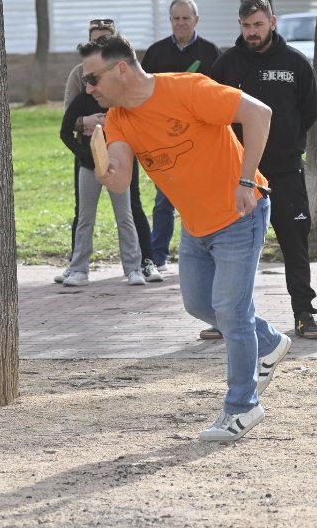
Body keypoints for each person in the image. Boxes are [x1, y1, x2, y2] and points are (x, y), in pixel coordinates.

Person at [83, 33, 292, 443]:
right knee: (200, 304)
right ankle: (268, 342)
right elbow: (121, 180)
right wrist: (101, 158)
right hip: (196, 225)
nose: (87, 88)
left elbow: (260, 114)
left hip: (240, 213)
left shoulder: (185, 89)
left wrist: (247, 181)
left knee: (231, 312)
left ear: (121, 68)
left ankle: (243, 407)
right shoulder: (121, 120)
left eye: (92, 78)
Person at [209, 0, 317, 339]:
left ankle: (303, 313)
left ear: (273, 22)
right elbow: (211, 113)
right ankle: (221, 318)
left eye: (258, 24)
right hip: (239, 174)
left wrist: (286, 141)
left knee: (295, 242)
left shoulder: (295, 63)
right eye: (246, 26)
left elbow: (310, 112)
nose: (252, 32)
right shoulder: (226, 65)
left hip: (285, 171)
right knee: (231, 249)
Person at [59, 18, 159, 284]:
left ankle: (140, 264)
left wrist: (116, 125)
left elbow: (137, 108)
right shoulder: (79, 78)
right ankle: (78, 267)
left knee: (129, 210)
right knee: (84, 214)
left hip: (121, 152)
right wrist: (86, 125)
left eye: (105, 40)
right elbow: (68, 119)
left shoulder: (124, 74)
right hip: (88, 156)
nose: (93, 85)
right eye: (95, 40)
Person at [141, 0, 222, 272]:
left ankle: (206, 254)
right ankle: (158, 256)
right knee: (164, 200)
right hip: (164, 139)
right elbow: (144, 95)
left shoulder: (211, 52)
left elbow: (221, 95)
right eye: (176, 18)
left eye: (186, 18)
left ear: (196, 20)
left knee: (202, 198)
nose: (180, 23)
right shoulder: (155, 54)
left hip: (201, 138)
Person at [58, 65, 145, 286]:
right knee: (86, 217)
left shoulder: (119, 100)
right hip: (89, 166)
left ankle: (134, 269)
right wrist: (84, 153)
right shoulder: (81, 101)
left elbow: (134, 127)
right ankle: (79, 270)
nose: (89, 88)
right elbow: (65, 132)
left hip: (117, 165)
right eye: (86, 83)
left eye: (93, 83)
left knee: (124, 216)